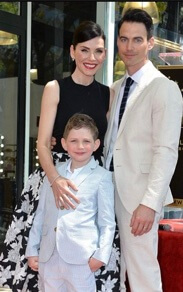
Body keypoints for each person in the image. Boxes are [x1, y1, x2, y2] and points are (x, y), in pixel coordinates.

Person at [0, 21, 120, 291]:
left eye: (99, 52)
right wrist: (55, 181)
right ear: (72, 51)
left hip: (90, 182)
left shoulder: (108, 94)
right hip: (52, 177)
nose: (92, 58)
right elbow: (43, 144)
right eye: (85, 50)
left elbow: (104, 145)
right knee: (40, 256)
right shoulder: (55, 87)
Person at [104, 8, 183, 292]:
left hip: (139, 198)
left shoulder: (164, 88)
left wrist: (150, 203)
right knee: (113, 268)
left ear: (150, 42)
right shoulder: (115, 88)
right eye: (124, 39)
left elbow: (166, 151)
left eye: (137, 40)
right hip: (107, 190)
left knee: (142, 274)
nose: (129, 47)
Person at [25, 113, 116, 292]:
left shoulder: (102, 177)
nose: (80, 146)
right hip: (48, 257)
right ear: (64, 144)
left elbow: (107, 222)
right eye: (73, 141)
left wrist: (101, 255)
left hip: (82, 260)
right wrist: (32, 250)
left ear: (96, 144)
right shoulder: (52, 174)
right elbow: (41, 214)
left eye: (86, 141)